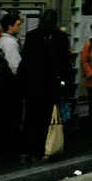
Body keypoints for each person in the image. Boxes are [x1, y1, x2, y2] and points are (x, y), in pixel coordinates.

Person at [19, 9, 71, 160]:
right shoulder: (61, 38)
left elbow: (25, 63)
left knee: (31, 119)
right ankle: (45, 148)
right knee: (47, 120)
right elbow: (64, 63)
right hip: (51, 86)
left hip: (34, 86)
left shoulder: (32, 36)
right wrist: (64, 83)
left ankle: (29, 150)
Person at [0, 11, 23, 159]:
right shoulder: (10, 43)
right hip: (11, 87)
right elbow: (16, 67)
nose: (20, 26)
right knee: (12, 118)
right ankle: (11, 148)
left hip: (1, 87)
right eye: (18, 24)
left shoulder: (1, 41)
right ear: (10, 26)